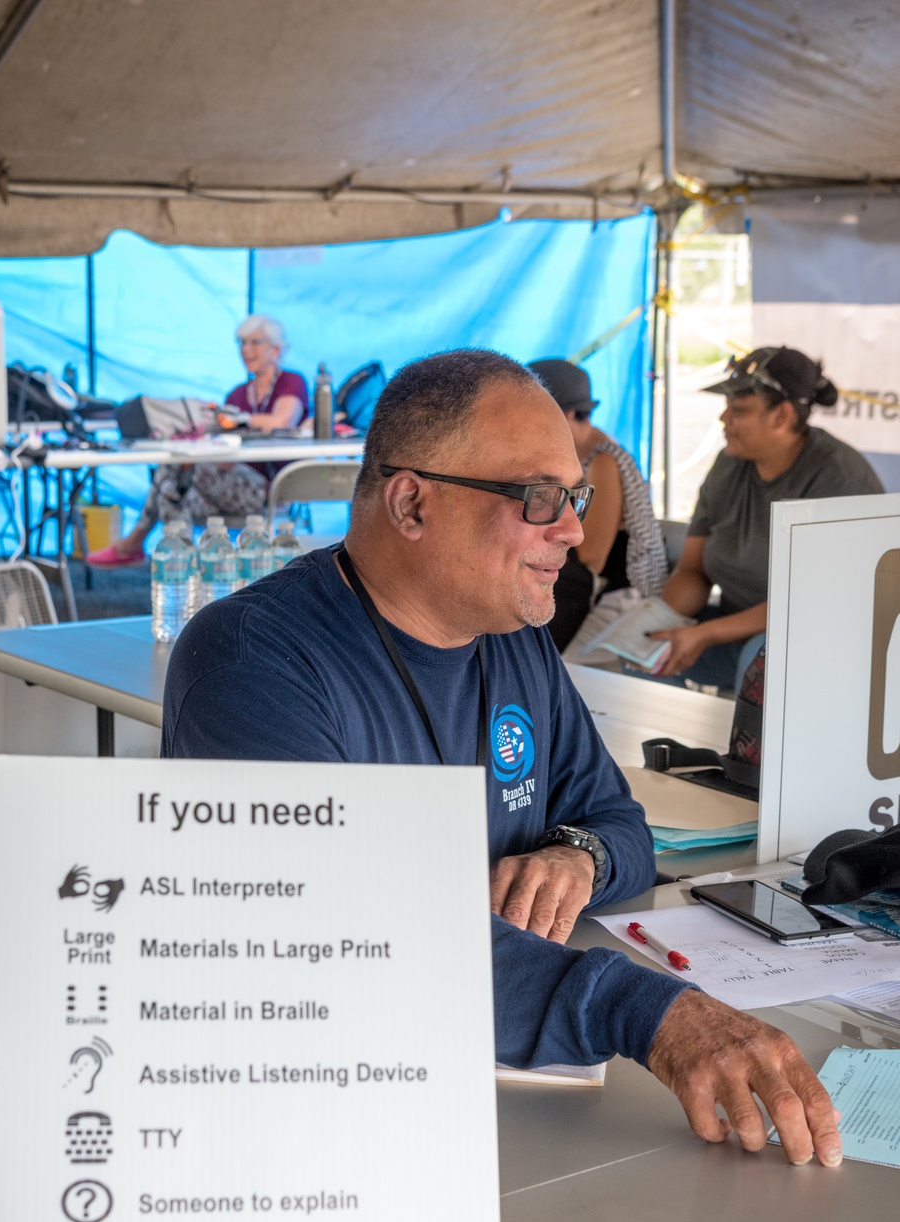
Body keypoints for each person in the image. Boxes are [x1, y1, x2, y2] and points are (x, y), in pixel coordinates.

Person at [162, 349, 841, 1169]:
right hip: (327, 1134)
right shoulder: (253, 663)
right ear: (411, 503)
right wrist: (646, 1011)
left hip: (518, 1107)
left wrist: (575, 858)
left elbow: (621, 827)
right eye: (539, 498)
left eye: (576, 495)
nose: (574, 530)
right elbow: (333, 944)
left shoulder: (515, 642)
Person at [649, 346, 883, 689]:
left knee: (760, 662)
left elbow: (810, 602)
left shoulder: (840, 479)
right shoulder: (729, 465)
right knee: (647, 652)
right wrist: (656, 626)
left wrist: (705, 633)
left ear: (782, 416)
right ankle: (672, 744)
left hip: (825, 643)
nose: (724, 418)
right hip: (735, 631)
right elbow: (692, 570)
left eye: (739, 409)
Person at [89, 315, 309, 566]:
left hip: (271, 490)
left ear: (276, 349)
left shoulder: (291, 381)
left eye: (254, 342)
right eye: (241, 342)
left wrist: (241, 420)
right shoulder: (237, 393)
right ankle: (184, 563)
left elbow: (282, 421)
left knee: (171, 469)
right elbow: (223, 436)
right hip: (229, 482)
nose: (245, 350)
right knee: (171, 492)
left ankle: (156, 552)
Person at [527, 359, 667, 651]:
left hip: (621, 595)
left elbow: (592, 558)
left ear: (565, 414)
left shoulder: (602, 460)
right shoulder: (575, 453)